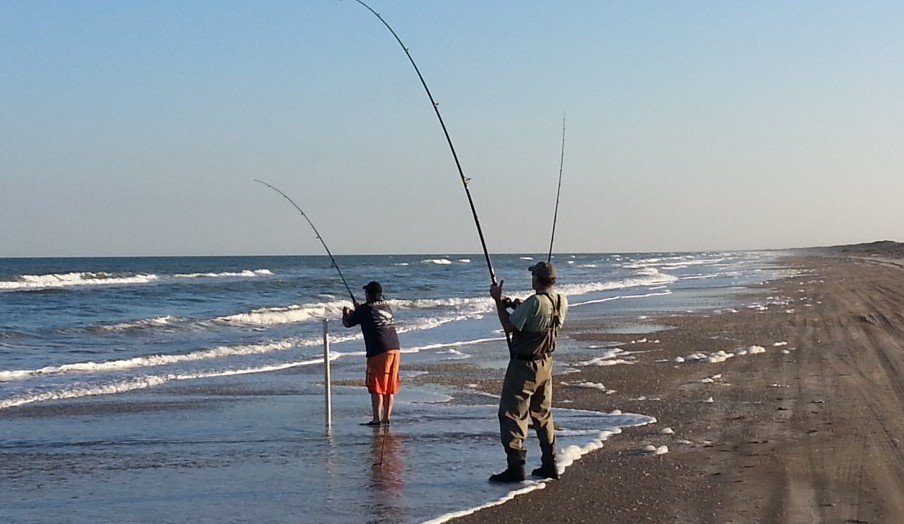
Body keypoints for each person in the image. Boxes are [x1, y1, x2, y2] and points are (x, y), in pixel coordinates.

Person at [488, 261, 568, 482]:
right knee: (542, 414)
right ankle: (550, 463)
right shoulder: (561, 300)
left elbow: (508, 326)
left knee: (512, 414)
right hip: (545, 364)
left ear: (538, 279)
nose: (531, 278)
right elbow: (538, 315)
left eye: (533, 275)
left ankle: (516, 468)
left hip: (524, 366)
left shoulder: (535, 302)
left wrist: (497, 300)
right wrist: (514, 305)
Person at [342, 281, 401, 426]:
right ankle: (386, 418)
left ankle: (376, 419)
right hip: (395, 349)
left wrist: (346, 313)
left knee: (376, 386)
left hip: (378, 351)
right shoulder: (386, 306)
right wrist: (359, 310)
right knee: (389, 386)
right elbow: (371, 315)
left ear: (369, 294)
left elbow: (348, 323)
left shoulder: (365, 309)